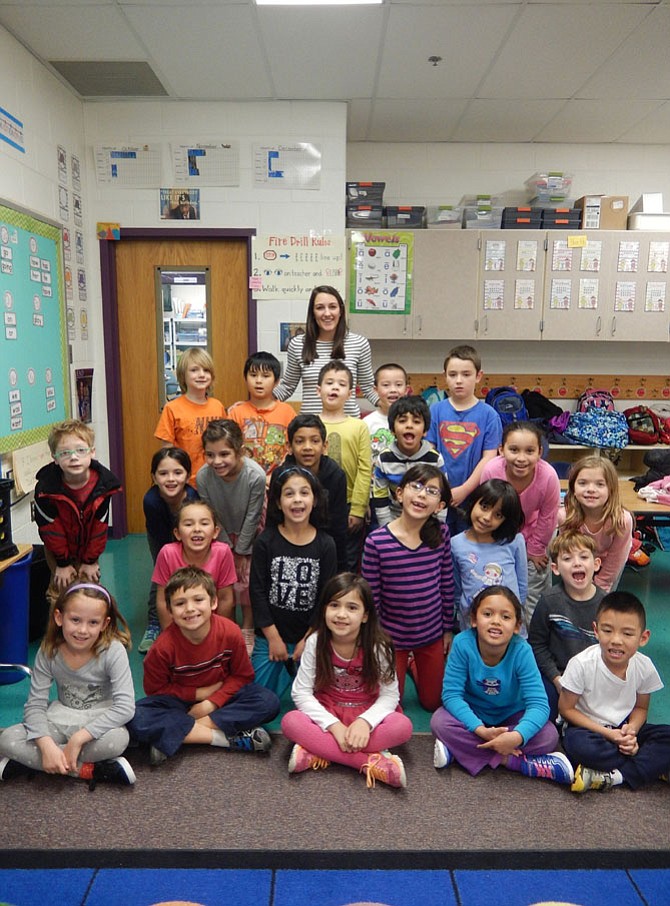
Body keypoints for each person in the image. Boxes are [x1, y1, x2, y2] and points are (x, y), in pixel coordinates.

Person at [128, 567, 280, 765]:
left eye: (198, 600)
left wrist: (210, 703)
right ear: (170, 611)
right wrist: (198, 694)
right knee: (135, 716)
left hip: (222, 697)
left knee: (268, 702)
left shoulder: (231, 632)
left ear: (214, 602)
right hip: (179, 703)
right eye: (180, 603)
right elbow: (156, 691)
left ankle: (176, 734)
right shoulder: (161, 648)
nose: (190, 608)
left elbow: (242, 676)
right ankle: (225, 739)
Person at [431, 586, 573, 785]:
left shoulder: (522, 650)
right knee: (439, 722)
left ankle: (459, 753)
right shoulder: (462, 644)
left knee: (549, 735)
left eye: (505, 617)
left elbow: (539, 705)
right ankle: (515, 762)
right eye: (487, 614)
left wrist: (517, 736)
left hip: (511, 717)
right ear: (473, 619)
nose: (496, 621)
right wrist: (479, 729)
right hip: (474, 715)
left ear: (517, 626)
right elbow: (451, 696)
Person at [281, 573, 413, 789]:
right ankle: (370, 763)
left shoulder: (378, 645)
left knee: (402, 727)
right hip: (328, 710)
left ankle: (319, 751)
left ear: (365, 615)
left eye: (352, 608)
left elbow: (390, 695)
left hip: (367, 711)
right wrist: (335, 727)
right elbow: (301, 693)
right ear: (324, 609)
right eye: (334, 605)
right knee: (291, 722)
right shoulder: (315, 642)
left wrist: (365, 722)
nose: (341, 615)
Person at [0, 582, 136, 788]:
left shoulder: (113, 651)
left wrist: (78, 739)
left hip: (98, 723)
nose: (82, 630)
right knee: (7, 739)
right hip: (59, 718)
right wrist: (46, 746)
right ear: (59, 617)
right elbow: (35, 705)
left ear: (105, 624)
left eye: (93, 622)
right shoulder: (48, 651)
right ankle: (85, 770)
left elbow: (125, 707)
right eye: (75, 620)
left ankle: (35, 764)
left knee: (118, 740)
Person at [362, 464, 454, 712]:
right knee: (392, 704)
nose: (423, 494)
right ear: (400, 493)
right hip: (392, 638)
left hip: (431, 634)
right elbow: (372, 598)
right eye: (416, 486)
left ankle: (415, 666)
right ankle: (407, 664)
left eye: (432, 491)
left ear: (440, 506)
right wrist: (375, 637)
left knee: (433, 702)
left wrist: (447, 629)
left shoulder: (441, 533)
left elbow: (446, 583)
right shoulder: (377, 541)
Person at [559, 591, 670, 793]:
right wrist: (611, 735)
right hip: (590, 728)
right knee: (579, 747)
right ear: (596, 630)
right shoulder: (581, 664)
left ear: (643, 638)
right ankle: (646, 765)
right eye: (608, 630)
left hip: (623, 728)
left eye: (627, 634)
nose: (616, 640)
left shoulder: (644, 666)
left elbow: (641, 707)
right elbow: (566, 709)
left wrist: (632, 731)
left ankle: (615, 776)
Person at [250, 466, 337, 699]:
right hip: (270, 635)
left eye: (304, 493)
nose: (297, 500)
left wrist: (308, 640)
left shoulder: (326, 544)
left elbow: (325, 598)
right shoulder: (265, 541)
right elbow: (257, 592)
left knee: (322, 698)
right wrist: (273, 638)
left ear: (315, 499)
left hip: (310, 635)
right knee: (258, 699)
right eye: (289, 494)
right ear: (278, 502)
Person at [196, 419, 266, 653]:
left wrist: (242, 551)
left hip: (249, 534)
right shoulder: (204, 477)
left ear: (240, 451)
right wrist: (226, 548)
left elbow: (253, 515)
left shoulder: (254, 475)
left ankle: (247, 625)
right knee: (222, 582)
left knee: (246, 581)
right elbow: (210, 513)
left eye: (224, 454)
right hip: (219, 534)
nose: (217, 461)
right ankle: (226, 625)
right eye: (210, 454)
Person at [34, 418, 121, 606]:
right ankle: (57, 634)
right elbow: (51, 531)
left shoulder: (104, 486)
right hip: (57, 550)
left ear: (92, 452)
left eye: (81, 450)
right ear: (54, 458)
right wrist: (63, 564)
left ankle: (92, 633)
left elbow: (99, 527)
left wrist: (90, 561)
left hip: (89, 545)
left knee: (89, 594)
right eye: (65, 453)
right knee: (60, 596)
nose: (74, 457)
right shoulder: (45, 489)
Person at [481, 421, 560, 623]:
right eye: (514, 450)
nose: (521, 458)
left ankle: (533, 633)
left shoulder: (548, 476)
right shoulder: (491, 471)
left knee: (534, 579)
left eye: (529, 451)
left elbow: (548, 516)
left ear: (540, 452)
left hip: (536, 531)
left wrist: (535, 549)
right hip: (500, 530)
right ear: (501, 449)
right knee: (498, 580)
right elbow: (485, 511)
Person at [528, 533, 604, 722]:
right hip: (557, 676)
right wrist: (556, 679)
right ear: (555, 568)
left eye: (584, 557)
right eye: (567, 558)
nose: (577, 563)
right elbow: (537, 645)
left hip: (595, 679)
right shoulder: (548, 602)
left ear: (596, 564)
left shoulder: (607, 604)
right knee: (543, 711)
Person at [425, 344, 502, 530]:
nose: (459, 380)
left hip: (475, 499)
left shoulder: (489, 415)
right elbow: (429, 451)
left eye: (466, 374)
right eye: (452, 375)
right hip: (439, 496)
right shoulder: (435, 411)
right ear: (445, 376)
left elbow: (489, 458)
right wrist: (439, 489)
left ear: (478, 376)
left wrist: (465, 489)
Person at [273, 285, 378, 416]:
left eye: (333, 307)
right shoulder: (298, 344)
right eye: (320, 307)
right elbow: (287, 387)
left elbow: (368, 388)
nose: (327, 313)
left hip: (348, 426)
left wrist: (391, 407)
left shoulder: (359, 343)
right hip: (311, 428)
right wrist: (255, 403)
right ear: (313, 312)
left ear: (341, 311)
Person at [139, 447, 200, 654]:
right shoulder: (152, 501)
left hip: (190, 536)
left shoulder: (192, 496)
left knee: (192, 574)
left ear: (187, 475)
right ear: (154, 477)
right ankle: (155, 624)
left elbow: (194, 529)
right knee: (162, 576)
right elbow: (164, 543)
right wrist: (172, 560)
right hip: (161, 538)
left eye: (178, 472)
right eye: (163, 473)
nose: (171, 479)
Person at [270, 412, 349, 572]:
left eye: (314, 441)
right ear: (289, 447)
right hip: (285, 546)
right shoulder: (280, 475)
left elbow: (339, 528)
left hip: (323, 548)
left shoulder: (336, 475)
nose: (307, 447)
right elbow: (273, 520)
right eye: (300, 441)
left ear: (324, 446)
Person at [450, 479, 528, 632]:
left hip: (508, 628)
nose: (487, 517)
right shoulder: (456, 544)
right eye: (484, 507)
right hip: (472, 627)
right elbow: (458, 589)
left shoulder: (514, 541)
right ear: (473, 502)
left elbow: (522, 587)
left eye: (498, 515)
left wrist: (514, 618)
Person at [317, 360, 372, 571]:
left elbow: (365, 469)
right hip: (315, 503)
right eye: (329, 382)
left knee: (345, 561)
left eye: (341, 384)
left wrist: (358, 508)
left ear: (350, 393)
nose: (334, 388)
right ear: (318, 389)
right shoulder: (310, 423)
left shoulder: (359, 427)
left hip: (348, 504)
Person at [152, 499, 236, 630]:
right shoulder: (167, 553)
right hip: (179, 623)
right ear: (177, 533)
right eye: (188, 524)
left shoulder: (223, 552)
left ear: (215, 532)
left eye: (204, 523)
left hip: (211, 624)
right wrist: (170, 633)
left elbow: (225, 598)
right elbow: (163, 600)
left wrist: (218, 632)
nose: (197, 529)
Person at [557, 455, 633, 593]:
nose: (591, 489)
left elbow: (616, 558)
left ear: (611, 489)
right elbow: (568, 552)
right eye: (583, 483)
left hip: (609, 566)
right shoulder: (565, 517)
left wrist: (600, 587)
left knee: (602, 604)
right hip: (579, 563)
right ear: (573, 487)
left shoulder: (622, 521)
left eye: (600, 484)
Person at [154, 347, 227, 485]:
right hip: (186, 482)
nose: (201, 375)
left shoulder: (217, 406)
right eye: (194, 370)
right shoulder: (172, 409)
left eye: (206, 370)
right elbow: (167, 451)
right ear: (183, 375)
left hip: (215, 481)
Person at [371, 395, 445, 526]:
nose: (409, 426)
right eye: (402, 421)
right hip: (393, 518)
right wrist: (387, 529)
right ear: (392, 430)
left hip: (425, 520)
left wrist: (438, 526)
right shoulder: (384, 459)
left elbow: (442, 495)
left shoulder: (434, 459)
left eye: (416, 422)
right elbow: (380, 497)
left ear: (425, 431)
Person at [227, 351, 297, 476]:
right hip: (244, 479)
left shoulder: (287, 412)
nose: (258, 381)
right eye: (253, 375)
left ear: (276, 382)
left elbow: (292, 449)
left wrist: (275, 476)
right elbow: (230, 449)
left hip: (279, 478)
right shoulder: (236, 413)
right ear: (245, 378)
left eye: (265, 376)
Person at [363, 363, 409, 468]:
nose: (393, 390)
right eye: (386, 385)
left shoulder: (412, 422)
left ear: (406, 390)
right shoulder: (366, 423)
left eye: (398, 385)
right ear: (376, 390)